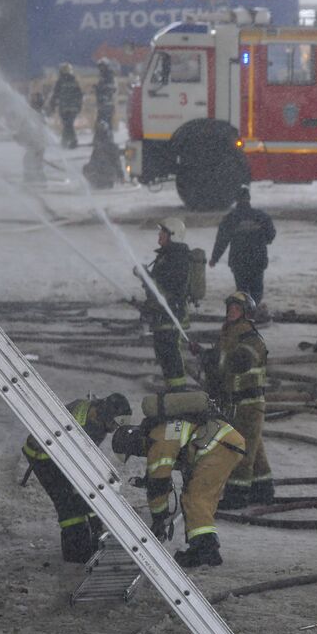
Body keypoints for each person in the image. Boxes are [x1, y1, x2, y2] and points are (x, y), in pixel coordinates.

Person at [112, 398, 245, 567]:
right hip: (224, 442)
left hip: (219, 446)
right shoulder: (158, 431)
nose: (139, 455)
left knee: (195, 498)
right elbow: (160, 475)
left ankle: (206, 550)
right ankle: (201, 547)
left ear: (134, 443)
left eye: (135, 453)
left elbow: (158, 485)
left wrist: (159, 518)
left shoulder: (158, 442)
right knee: (199, 498)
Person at [21, 393, 131, 563]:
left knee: (75, 500)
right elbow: (80, 473)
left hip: (49, 446)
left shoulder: (87, 405)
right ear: (107, 415)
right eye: (114, 422)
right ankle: (75, 553)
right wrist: (95, 519)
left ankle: (79, 543)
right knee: (67, 502)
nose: (115, 427)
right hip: (44, 456)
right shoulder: (90, 429)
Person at [197, 291, 274, 509]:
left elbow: (241, 361)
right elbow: (220, 367)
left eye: (236, 309)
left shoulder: (251, 337)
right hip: (235, 403)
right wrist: (205, 356)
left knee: (240, 450)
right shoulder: (228, 335)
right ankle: (263, 489)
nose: (232, 312)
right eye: (230, 308)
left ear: (246, 313)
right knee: (253, 448)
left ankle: (237, 495)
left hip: (249, 403)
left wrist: (215, 359)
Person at [138, 218, 192, 388]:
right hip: (162, 314)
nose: (159, 235)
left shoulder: (176, 258)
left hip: (171, 314)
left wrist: (145, 277)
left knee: (171, 356)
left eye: (164, 232)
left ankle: (179, 392)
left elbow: (167, 288)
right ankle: (173, 390)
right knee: (164, 355)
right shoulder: (166, 256)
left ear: (173, 236)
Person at [210, 185, 276, 308]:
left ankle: (245, 312)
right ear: (249, 198)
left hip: (239, 261)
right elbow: (271, 234)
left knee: (242, 290)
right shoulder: (261, 217)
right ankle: (254, 311)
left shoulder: (230, 219)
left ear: (236, 199)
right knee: (257, 289)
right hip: (258, 259)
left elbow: (221, 241)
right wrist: (263, 241)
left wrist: (214, 259)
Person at [46, 63, 83, 149]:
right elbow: (79, 95)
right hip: (73, 108)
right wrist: (79, 106)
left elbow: (55, 94)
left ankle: (71, 141)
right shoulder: (74, 81)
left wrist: (52, 105)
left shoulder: (60, 81)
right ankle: (66, 141)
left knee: (67, 124)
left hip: (64, 108)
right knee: (68, 124)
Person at [82, 120, 124, 189]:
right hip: (104, 176)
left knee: (87, 168)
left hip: (105, 176)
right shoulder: (107, 147)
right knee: (86, 168)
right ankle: (100, 182)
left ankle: (101, 182)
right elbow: (117, 163)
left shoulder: (107, 147)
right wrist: (121, 176)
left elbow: (117, 163)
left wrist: (120, 176)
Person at [19, 90, 48, 184]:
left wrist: (20, 136)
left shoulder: (32, 115)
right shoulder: (40, 114)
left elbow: (27, 128)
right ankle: (39, 178)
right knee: (36, 161)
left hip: (34, 143)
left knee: (29, 161)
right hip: (39, 143)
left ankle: (32, 179)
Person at [93, 58, 117, 131]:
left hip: (107, 101)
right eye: (100, 67)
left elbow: (112, 88)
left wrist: (101, 88)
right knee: (102, 119)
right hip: (102, 101)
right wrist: (97, 87)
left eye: (102, 66)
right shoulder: (102, 75)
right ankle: (101, 138)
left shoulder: (109, 75)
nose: (101, 68)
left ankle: (107, 138)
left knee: (105, 120)